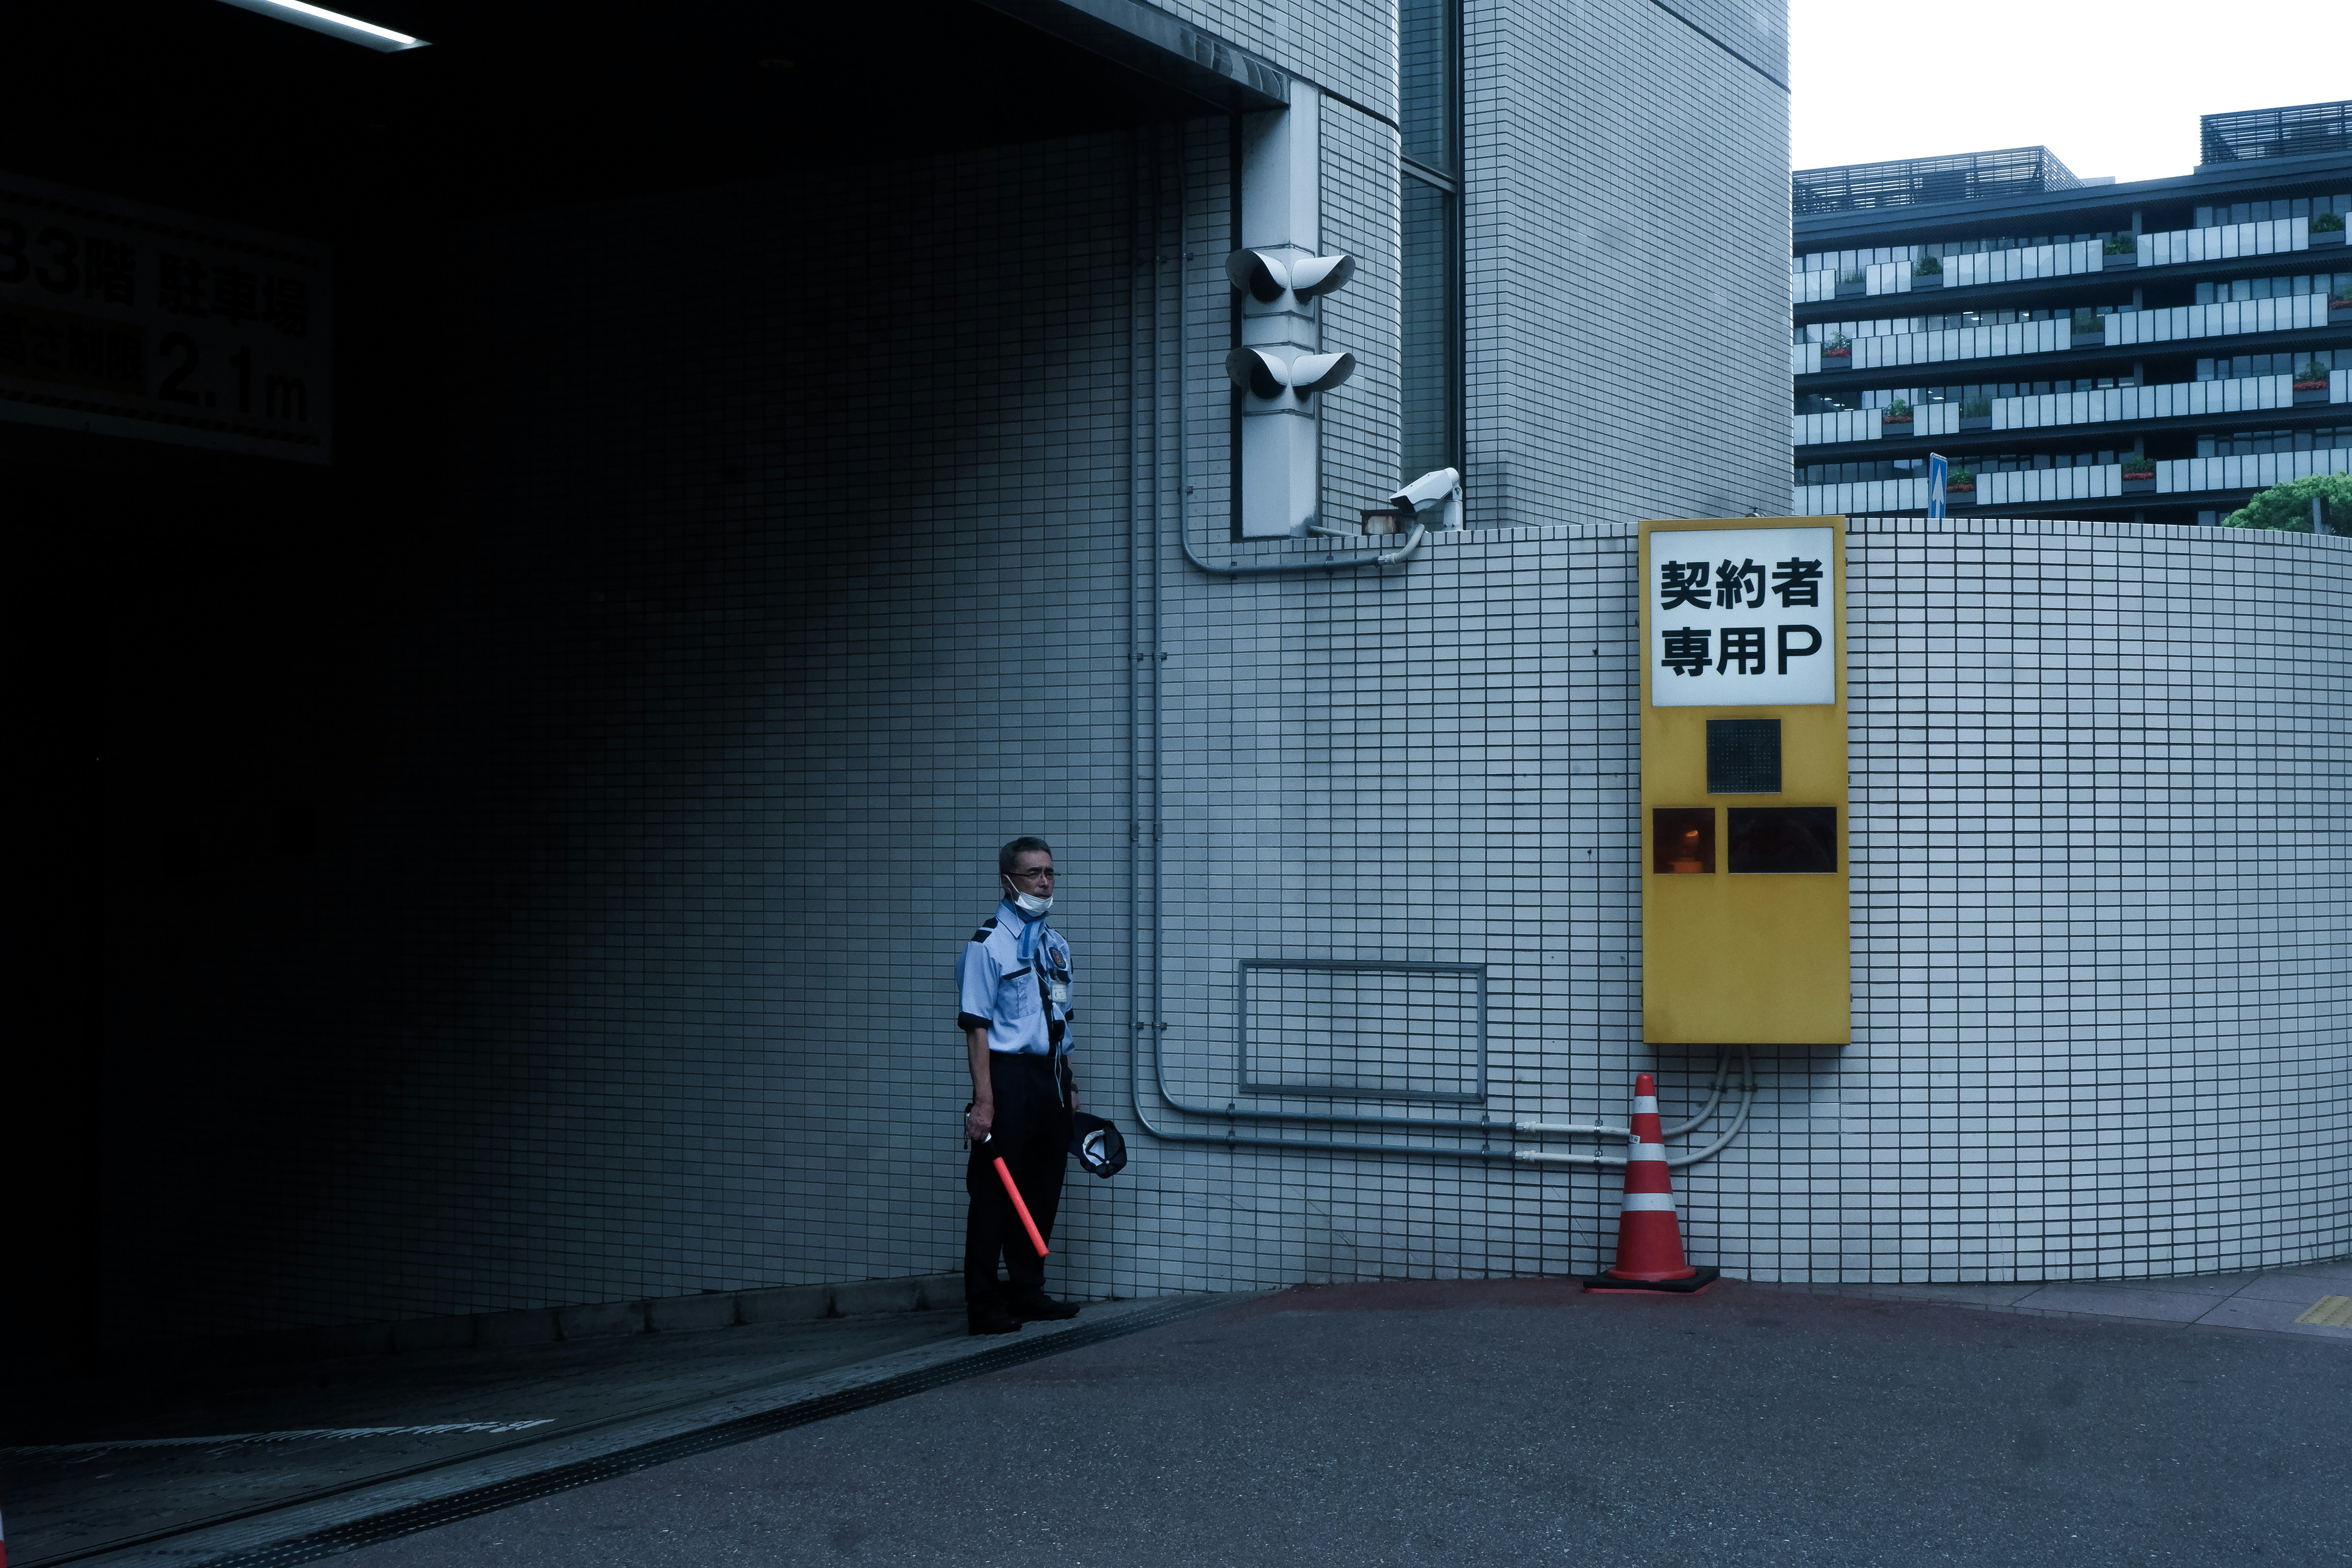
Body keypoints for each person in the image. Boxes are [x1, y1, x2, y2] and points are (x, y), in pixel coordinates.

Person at [955, 836, 1084, 1335]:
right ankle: (984, 1304)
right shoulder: (988, 945)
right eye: (1034, 874)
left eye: (1050, 872)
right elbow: (976, 1028)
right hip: (1006, 1078)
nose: (1045, 882)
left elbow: (1061, 1020)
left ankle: (1028, 1292)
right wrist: (984, 1100)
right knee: (993, 1195)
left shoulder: (1055, 944)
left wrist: (1069, 1083)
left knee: (1042, 1188)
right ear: (1008, 881)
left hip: (1049, 1077)